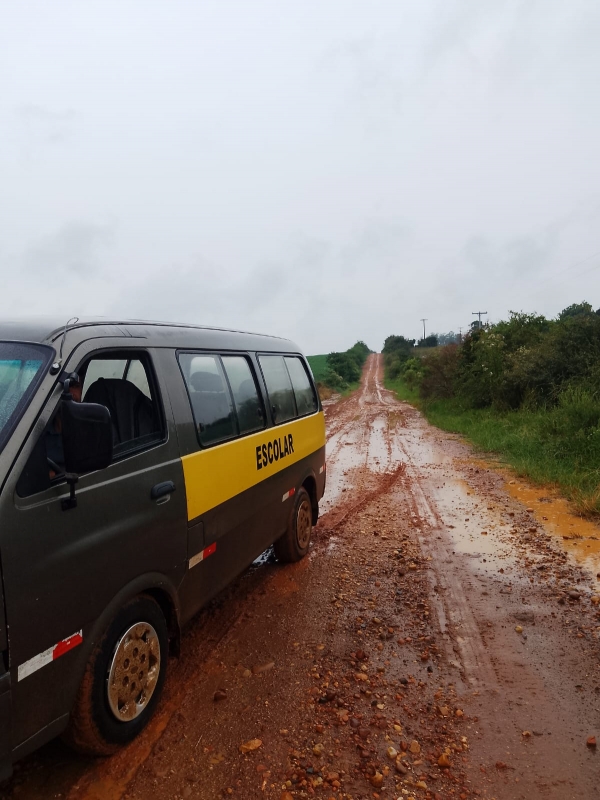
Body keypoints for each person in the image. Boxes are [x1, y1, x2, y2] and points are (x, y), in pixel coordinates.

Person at [47, 376, 82, 477]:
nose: (69, 393)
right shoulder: (37, 432)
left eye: (75, 386)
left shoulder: (91, 430)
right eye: (63, 387)